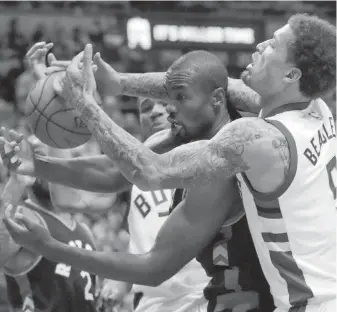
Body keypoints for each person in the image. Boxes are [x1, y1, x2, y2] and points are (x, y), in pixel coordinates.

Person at [4, 13, 336, 312]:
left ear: (291, 73)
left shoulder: (251, 141)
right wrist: (117, 82)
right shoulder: (313, 108)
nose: (261, 44)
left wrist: (87, 105)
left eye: (272, 45)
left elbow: (148, 173)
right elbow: (213, 85)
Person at [0, 137, 97, 312]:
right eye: (39, 158)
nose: (47, 167)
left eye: (53, 160)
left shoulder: (85, 231)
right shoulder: (23, 218)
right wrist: (17, 182)